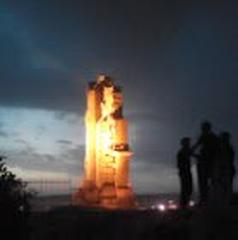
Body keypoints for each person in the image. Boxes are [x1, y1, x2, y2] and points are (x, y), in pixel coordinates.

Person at [192, 121, 219, 205]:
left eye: (204, 128)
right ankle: (206, 199)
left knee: (207, 182)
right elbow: (194, 148)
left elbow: (194, 147)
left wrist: (194, 154)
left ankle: (207, 199)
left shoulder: (211, 137)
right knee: (205, 182)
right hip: (206, 162)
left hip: (208, 162)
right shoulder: (211, 137)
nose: (203, 130)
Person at [212, 132, 235, 206]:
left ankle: (227, 201)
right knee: (221, 186)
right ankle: (223, 202)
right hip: (221, 171)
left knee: (226, 186)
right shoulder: (219, 149)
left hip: (226, 170)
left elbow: (230, 160)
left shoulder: (229, 149)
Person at [177, 137, 193, 208]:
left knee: (187, 188)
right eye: (188, 142)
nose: (189, 144)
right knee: (187, 188)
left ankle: (184, 204)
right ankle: (184, 205)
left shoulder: (183, 151)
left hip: (185, 172)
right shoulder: (183, 152)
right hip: (185, 172)